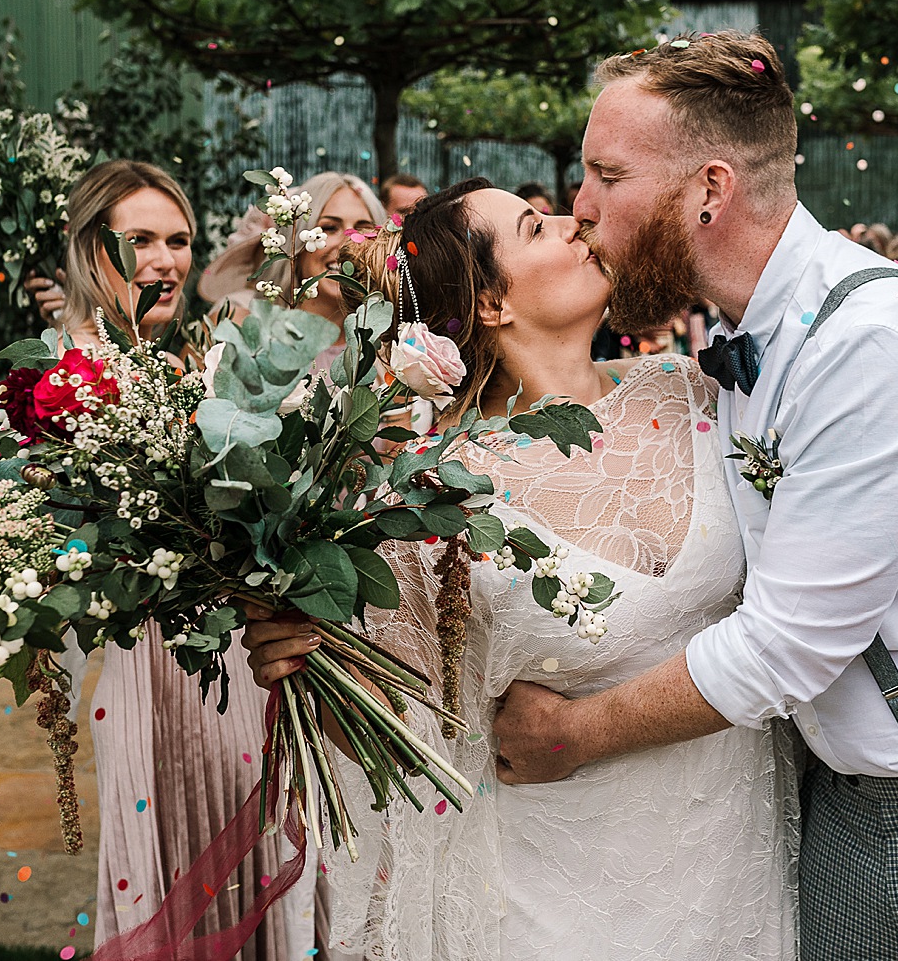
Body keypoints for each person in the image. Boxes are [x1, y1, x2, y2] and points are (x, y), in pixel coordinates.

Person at [487, 30, 898, 958]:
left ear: (709, 191)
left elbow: (786, 646)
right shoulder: (735, 352)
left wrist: (571, 732)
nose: (580, 206)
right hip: (837, 821)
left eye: (606, 174)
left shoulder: (874, 346)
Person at [245, 179, 795, 960]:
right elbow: (406, 732)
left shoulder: (694, 390)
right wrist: (304, 658)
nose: (579, 224)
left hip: (734, 869)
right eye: (539, 227)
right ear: (491, 303)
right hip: (551, 899)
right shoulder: (433, 487)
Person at [54, 159, 316, 959]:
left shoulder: (185, 363)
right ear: (89, 250)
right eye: (140, 240)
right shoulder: (64, 384)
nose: (165, 260)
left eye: (178, 240)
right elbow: (75, 556)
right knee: (175, 880)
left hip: (238, 670)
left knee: (259, 870)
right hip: (153, 679)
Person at [197, 171, 386, 343]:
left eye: (363, 230)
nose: (348, 244)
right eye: (329, 228)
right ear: (295, 242)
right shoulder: (237, 325)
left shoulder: (388, 348)